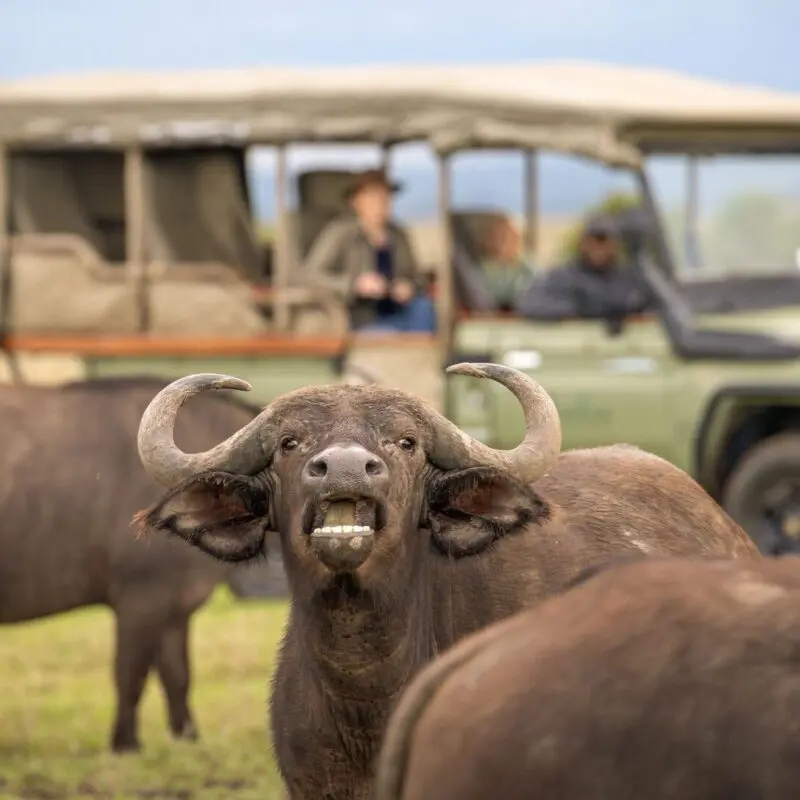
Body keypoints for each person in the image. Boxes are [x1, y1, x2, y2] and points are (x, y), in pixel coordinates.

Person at [302, 168, 436, 332]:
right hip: (360, 315)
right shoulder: (341, 233)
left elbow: (418, 277)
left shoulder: (399, 234)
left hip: (400, 310)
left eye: (385, 197)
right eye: (372, 197)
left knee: (424, 308)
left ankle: (423, 354)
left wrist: (408, 286)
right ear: (356, 202)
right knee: (385, 334)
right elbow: (311, 276)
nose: (380, 203)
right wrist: (355, 285)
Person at [515, 213, 657, 321]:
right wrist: (577, 307)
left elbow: (655, 308)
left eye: (603, 240)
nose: (597, 247)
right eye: (592, 240)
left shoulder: (630, 278)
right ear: (582, 243)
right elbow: (529, 304)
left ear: (615, 245)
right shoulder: (563, 276)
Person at [478, 217, 536, 310]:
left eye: (513, 237)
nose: (507, 242)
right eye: (502, 237)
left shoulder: (528, 267)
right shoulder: (484, 268)